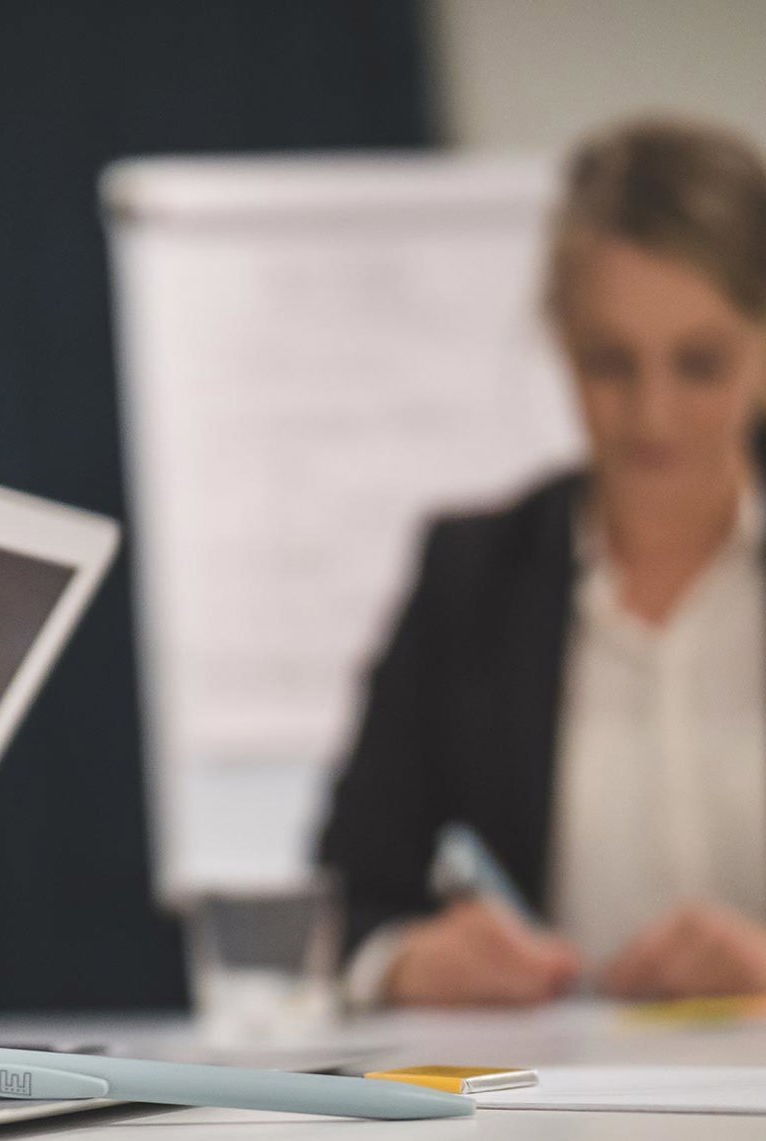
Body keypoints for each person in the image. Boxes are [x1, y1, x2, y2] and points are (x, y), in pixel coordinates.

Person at [317, 116, 766, 1007]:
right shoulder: (468, 576)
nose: (653, 416)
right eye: (609, 364)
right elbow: (351, 901)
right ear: (560, 338)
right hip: (546, 1119)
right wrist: (408, 962)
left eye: (700, 364)